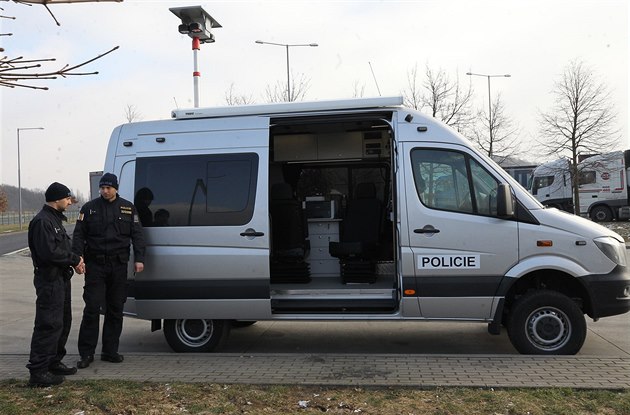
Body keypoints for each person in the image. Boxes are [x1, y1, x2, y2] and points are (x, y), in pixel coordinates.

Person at [72, 173, 146, 369]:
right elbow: (78, 236)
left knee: (115, 309)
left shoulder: (128, 208)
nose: (105, 191)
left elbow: (137, 235)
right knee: (92, 308)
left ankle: (110, 351)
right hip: (95, 266)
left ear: (115, 188)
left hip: (118, 266)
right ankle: (86, 354)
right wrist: (78, 257)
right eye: (102, 188)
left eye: (108, 188)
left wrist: (140, 258)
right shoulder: (89, 209)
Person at [27, 182, 85, 387]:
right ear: (57, 199)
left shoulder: (55, 220)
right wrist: (73, 259)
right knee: (48, 324)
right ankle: (39, 371)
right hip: (49, 281)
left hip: (61, 279)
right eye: (68, 199)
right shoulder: (43, 222)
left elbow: (64, 246)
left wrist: (76, 259)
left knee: (62, 321)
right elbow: (49, 253)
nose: (70, 202)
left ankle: (53, 362)